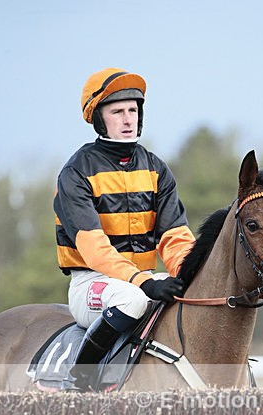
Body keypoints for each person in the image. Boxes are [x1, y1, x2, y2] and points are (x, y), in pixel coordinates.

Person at [54, 68, 195, 389]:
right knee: (132, 300)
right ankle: (78, 383)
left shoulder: (156, 168)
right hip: (92, 283)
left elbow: (175, 237)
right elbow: (94, 249)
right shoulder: (76, 172)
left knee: (188, 298)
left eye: (133, 110)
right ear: (99, 119)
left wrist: (189, 275)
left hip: (142, 280)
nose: (127, 118)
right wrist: (143, 282)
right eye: (117, 111)